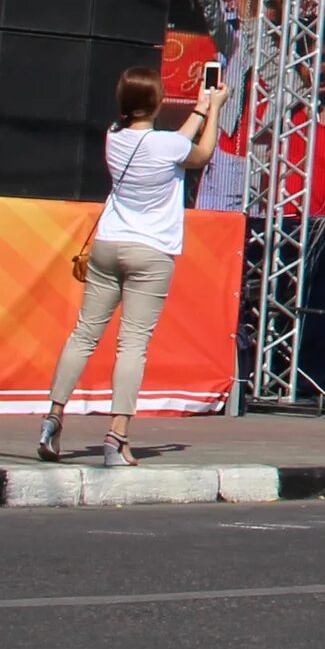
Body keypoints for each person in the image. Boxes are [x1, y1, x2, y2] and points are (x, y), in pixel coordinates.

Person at [38, 66, 229, 466]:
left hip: (109, 244)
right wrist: (212, 111)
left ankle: (53, 417)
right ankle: (117, 435)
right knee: (133, 344)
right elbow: (202, 154)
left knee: (83, 335)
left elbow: (176, 147)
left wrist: (200, 110)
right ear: (158, 103)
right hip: (151, 252)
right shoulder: (165, 145)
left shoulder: (114, 137)